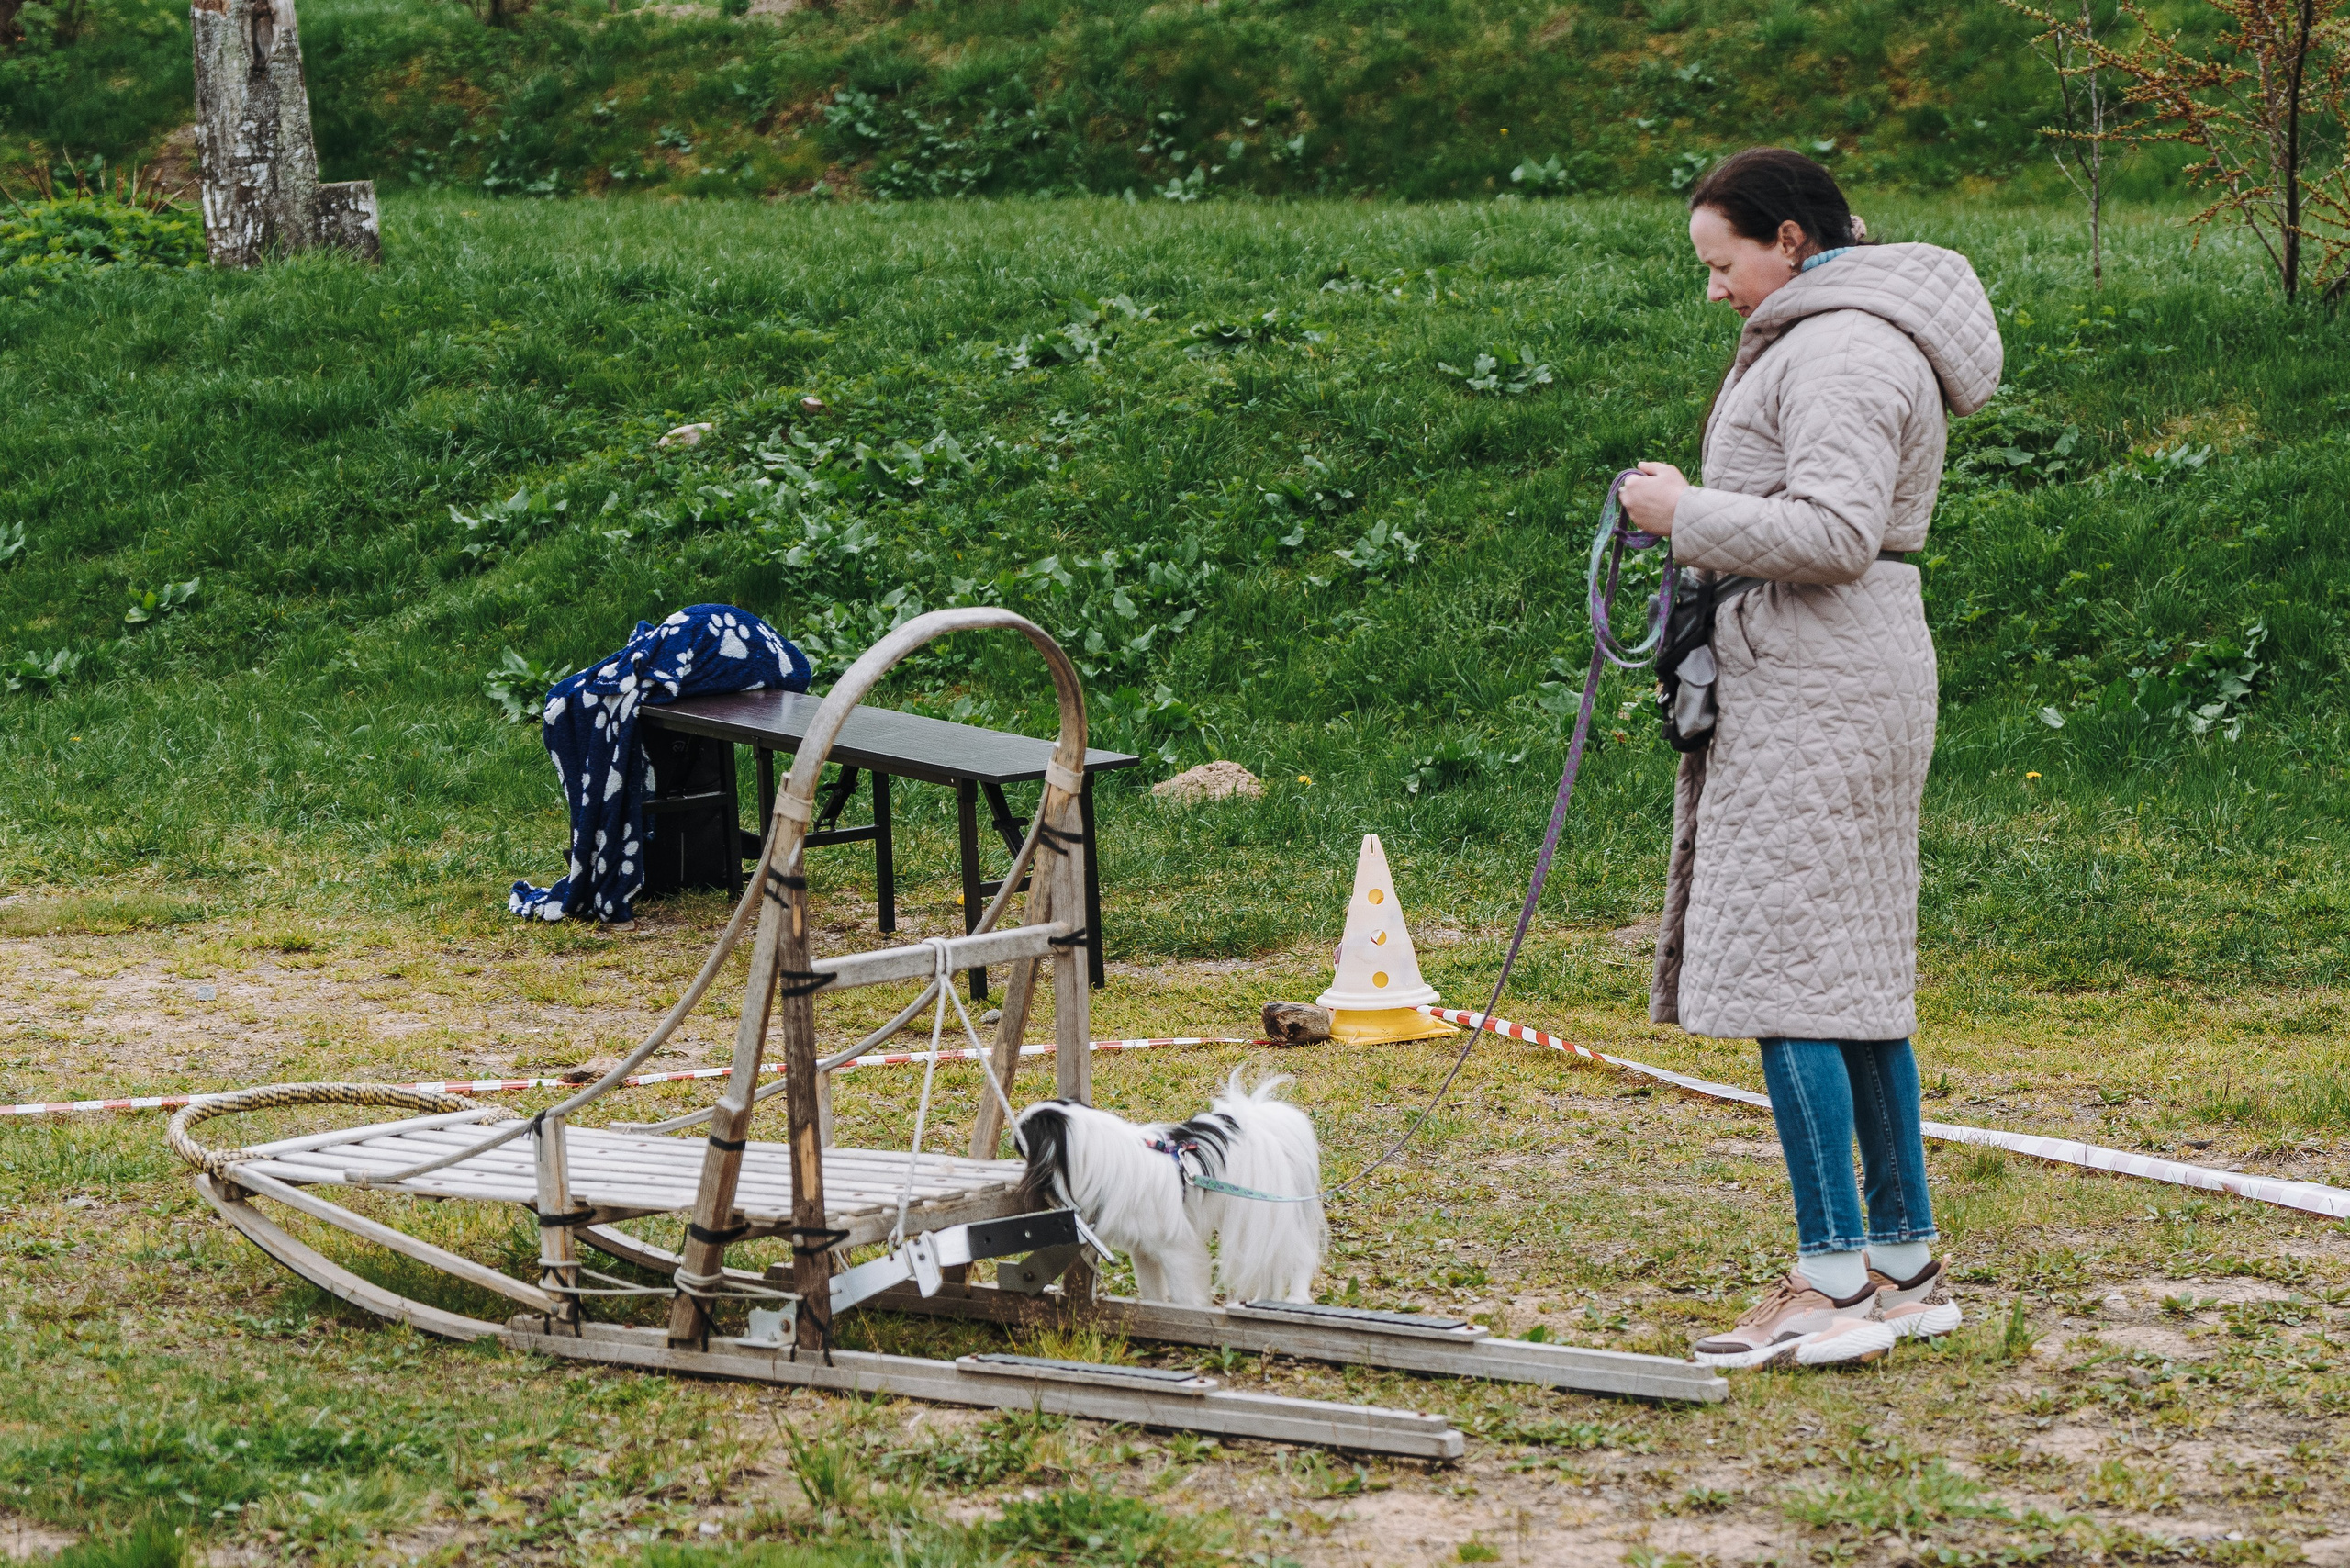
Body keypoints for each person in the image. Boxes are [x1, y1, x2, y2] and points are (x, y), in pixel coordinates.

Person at [1616, 148, 2001, 1370]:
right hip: (1843, 670)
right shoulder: (1854, 336)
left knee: (1793, 979)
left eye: (1722, 264)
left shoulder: (1838, 348)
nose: (1715, 290)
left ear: (1788, 241)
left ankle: (1828, 1286)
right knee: (1856, 979)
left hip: (1819, 679)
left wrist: (1680, 516)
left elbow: (1835, 531)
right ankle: (1903, 1264)